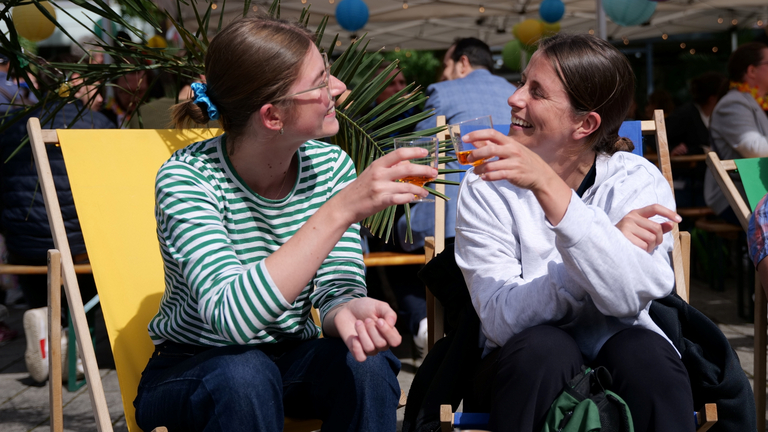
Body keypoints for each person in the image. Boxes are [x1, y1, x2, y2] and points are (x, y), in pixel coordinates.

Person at [132, 16, 437, 432]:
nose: (338, 89)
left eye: (327, 70)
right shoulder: (188, 179)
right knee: (244, 374)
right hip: (193, 366)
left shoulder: (330, 165)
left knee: (365, 364)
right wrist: (341, 209)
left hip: (292, 355)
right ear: (273, 116)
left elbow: (334, 288)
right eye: (319, 82)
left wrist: (348, 309)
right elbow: (231, 319)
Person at [454, 33, 693, 432]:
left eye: (536, 91)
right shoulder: (486, 185)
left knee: (649, 358)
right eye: (520, 82)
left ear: (585, 123)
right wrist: (602, 246)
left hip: (625, 350)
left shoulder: (635, 180)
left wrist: (554, 195)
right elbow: (499, 319)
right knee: (544, 349)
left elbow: (631, 296)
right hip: (520, 364)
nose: (514, 99)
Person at [382, 38, 517, 358]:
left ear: (463, 63)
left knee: (393, 239)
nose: (443, 73)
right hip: (513, 218)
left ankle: (425, 323)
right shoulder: (516, 94)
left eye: (445, 64)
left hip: (456, 217)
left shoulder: (444, 93)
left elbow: (419, 151)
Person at [0, 54, 114, 383]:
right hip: (79, 245)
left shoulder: (12, 126)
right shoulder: (97, 123)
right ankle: (79, 346)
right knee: (87, 272)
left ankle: (47, 325)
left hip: (26, 244)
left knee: (36, 264)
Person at [704, 42, 768, 224]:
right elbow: (754, 149)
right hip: (736, 196)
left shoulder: (754, 101)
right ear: (752, 71)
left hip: (755, 191)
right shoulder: (733, 103)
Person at [665, 71, 728, 207]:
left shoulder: (722, 116)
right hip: (689, 182)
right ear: (713, 98)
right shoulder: (684, 115)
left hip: (709, 179)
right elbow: (659, 136)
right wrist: (671, 150)